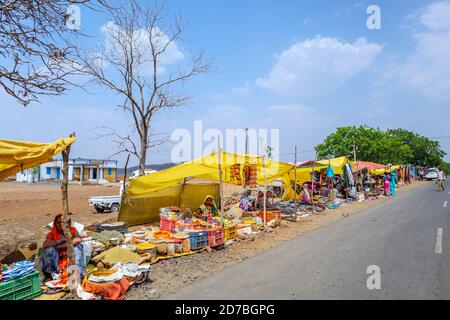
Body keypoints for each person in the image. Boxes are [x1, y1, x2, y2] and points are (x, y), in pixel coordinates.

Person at [40, 214, 86, 281]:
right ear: (55, 224)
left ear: (68, 223)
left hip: (69, 255)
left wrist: (64, 245)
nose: (61, 224)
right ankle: (50, 275)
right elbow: (45, 244)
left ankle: (78, 274)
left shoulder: (72, 230)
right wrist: (59, 241)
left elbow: (78, 239)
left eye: (63, 222)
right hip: (57, 258)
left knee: (77, 248)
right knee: (49, 250)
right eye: (58, 223)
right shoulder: (52, 233)